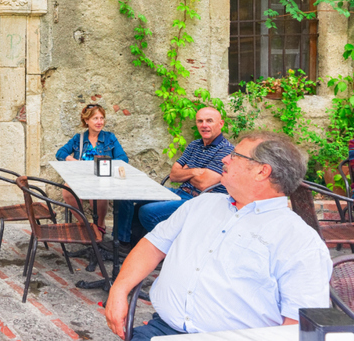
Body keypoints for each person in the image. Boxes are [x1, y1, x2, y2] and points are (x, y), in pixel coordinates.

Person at [105, 131, 332, 340]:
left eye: (234, 155)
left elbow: (299, 326)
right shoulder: (201, 204)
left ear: (262, 171)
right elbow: (153, 245)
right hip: (161, 330)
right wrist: (119, 290)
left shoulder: (300, 241)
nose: (225, 159)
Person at [134, 107, 233, 234]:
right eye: (200, 121)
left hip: (199, 201)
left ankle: (167, 247)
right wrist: (194, 171)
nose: (204, 125)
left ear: (221, 124)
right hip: (180, 192)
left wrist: (185, 171)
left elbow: (204, 183)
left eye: (209, 121)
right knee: (138, 197)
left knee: (147, 212)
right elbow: (174, 175)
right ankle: (126, 243)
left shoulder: (226, 150)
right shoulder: (194, 145)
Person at [55, 104, 129, 241]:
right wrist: (73, 160)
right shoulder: (79, 138)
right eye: (95, 118)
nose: (100, 122)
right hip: (82, 177)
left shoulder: (109, 138)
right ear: (86, 121)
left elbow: (123, 158)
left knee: (99, 192)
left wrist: (107, 164)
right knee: (67, 189)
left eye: (102, 118)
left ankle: (100, 226)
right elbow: (60, 153)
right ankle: (85, 225)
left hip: (102, 177)